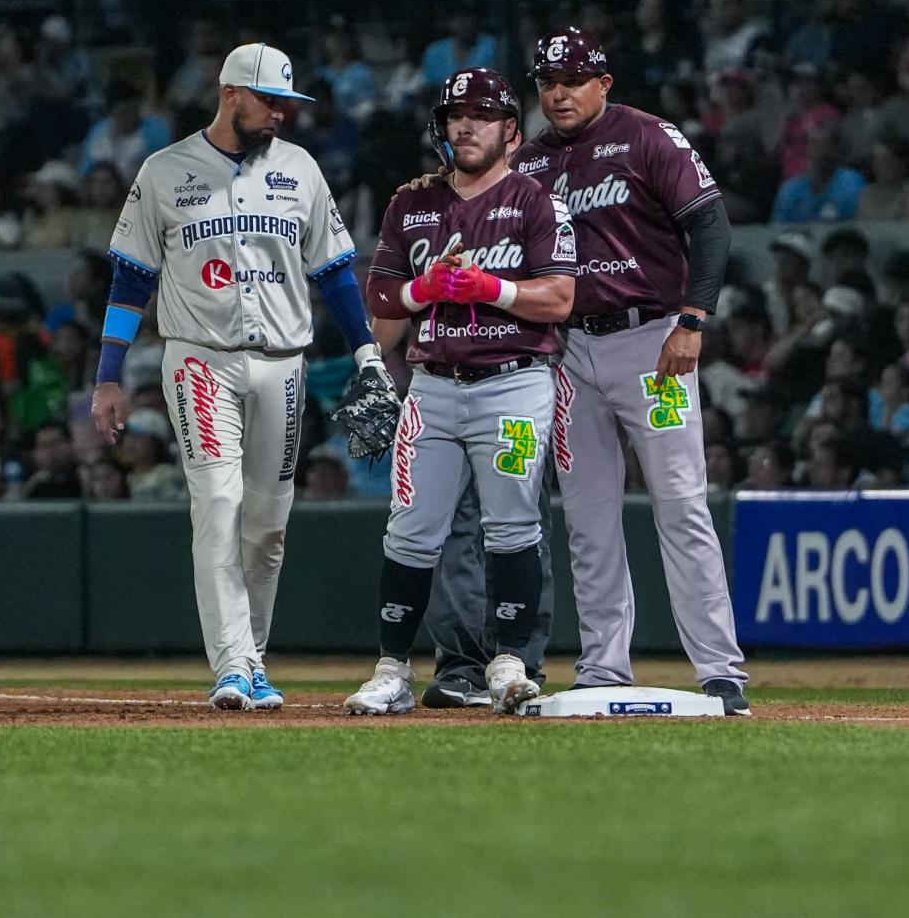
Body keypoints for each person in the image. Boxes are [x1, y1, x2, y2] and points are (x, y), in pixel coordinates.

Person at [90, 43, 374, 712]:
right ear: (229, 94)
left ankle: (253, 658)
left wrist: (366, 353)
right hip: (199, 357)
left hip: (282, 361)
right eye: (268, 100)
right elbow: (131, 280)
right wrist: (108, 376)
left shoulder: (299, 169)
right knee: (218, 503)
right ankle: (232, 665)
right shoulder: (165, 170)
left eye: (285, 102)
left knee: (268, 524)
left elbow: (335, 272)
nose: (280, 113)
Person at [511, 27, 751, 714]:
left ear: (603, 82)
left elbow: (710, 224)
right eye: (548, 83)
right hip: (569, 351)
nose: (559, 94)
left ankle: (720, 668)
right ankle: (603, 665)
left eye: (573, 80)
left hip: (653, 343)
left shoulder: (647, 136)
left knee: (681, 500)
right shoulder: (530, 162)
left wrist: (693, 319)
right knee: (587, 515)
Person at [343, 68, 577, 718]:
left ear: (511, 130)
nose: (466, 125)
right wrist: (423, 293)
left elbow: (560, 297)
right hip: (433, 385)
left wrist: (489, 288)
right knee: (411, 531)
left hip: (516, 381)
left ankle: (511, 663)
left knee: (513, 523)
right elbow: (381, 303)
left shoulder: (536, 200)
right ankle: (392, 668)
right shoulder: (412, 202)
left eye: (482, 114)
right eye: (455, 114)